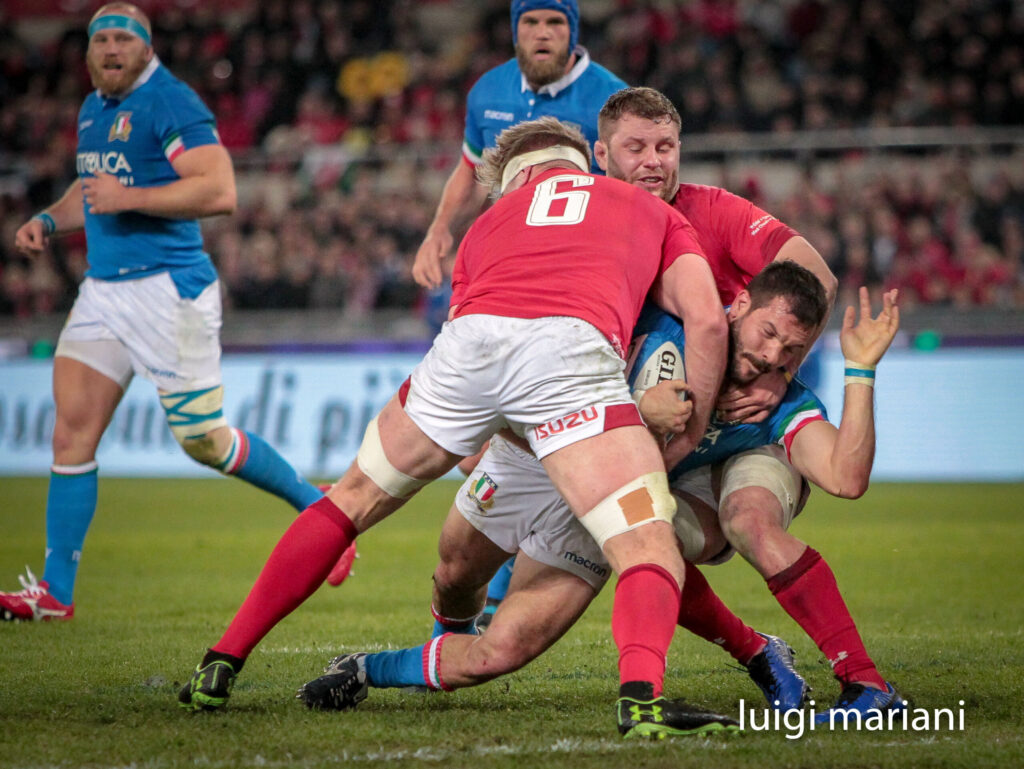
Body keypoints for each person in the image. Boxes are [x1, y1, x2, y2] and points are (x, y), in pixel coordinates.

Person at [179, 117, 735, 739]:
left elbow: (467, 325)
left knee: (350, 500)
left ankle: (221, 660)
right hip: (570, 355)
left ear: (511, 183)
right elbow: (707, 320)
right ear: (585, 163)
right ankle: (641, 702)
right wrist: (690, 429)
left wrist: (479, 431)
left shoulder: (483, 227)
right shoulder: (639, 202)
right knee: (644, 541)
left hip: (470, 347)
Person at [298, 265, 907, 728]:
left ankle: (847, 683)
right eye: (769, 334)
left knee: (672, 538)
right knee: (463, 584)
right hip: (546, 461)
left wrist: (860, 371)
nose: (772, 356)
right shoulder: (656, 327)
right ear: (739, 303)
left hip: (632, 491)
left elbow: (847, 478)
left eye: (792, 350)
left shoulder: (779, 399)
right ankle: (370, 664)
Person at [0, 3, 329, 623]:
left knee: (203, 441)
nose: (112, 49)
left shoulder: (171, 104)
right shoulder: (94, 107)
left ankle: (316, 507)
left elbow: (219, 190)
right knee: (71, 434)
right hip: (104, 293)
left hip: (168, 294)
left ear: (147, 48)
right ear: (89, 53)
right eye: (103, 40)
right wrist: (51, 218)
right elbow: (92, 187)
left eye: (125, 38)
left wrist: (133, 198)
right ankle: (54, 594)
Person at [475, 85, 839, 624]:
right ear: (600, 156)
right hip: (648, 421)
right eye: (636, 148)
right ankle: (492, 604)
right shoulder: (586, 223)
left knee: (713, 526)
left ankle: (844, 673)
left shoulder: (712, 211)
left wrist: (779, 372)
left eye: (665, 148)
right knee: (628, 531)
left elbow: (818, 279)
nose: (653, 163)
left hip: (736, 429)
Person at [410, 0, 627, 290]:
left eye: (555, 22)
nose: (542, 32)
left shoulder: (615, 100)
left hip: (584, 264)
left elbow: (634, 190)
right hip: (506, 258)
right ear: (515, 30)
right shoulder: (487, 90)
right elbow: (468, 167)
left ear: (572, 31)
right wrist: (438, 231)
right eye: (530, 22)